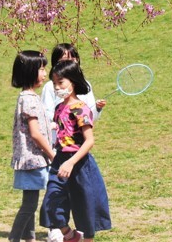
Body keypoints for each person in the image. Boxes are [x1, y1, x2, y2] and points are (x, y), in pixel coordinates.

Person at [42, 60, 112, 242]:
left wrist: (71, 162)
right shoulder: (58, 108)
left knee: (86, 207)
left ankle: (86, 238)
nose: (57, 87)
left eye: (61, 82)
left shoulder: (80, 109)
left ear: (72, 82)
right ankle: (69, 234)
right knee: (51, 202)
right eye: (54, 83)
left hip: (79, 163)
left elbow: (89, 141)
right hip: (59, 161)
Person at [9, 51, 55, 242]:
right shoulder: (28, 99)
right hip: (33, 160)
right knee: (29, 205)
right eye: (41, 69)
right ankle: (13, 239)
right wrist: (52, 154)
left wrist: (50, 125)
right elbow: (35, 133)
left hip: (30, 160)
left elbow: (35, 127)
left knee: (29, 203)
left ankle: (30, 239)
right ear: (29, 71)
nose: (45, 73)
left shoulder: (28, 97)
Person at [42, 44, 106, 134]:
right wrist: (64, 120)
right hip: (57, 140)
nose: (57, 87)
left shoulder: (85, 84)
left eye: (72, 60)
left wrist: (97, 108)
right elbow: (47, 114)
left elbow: (89, 117)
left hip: (79, 143)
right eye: (64, 61)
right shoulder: (49, 87)